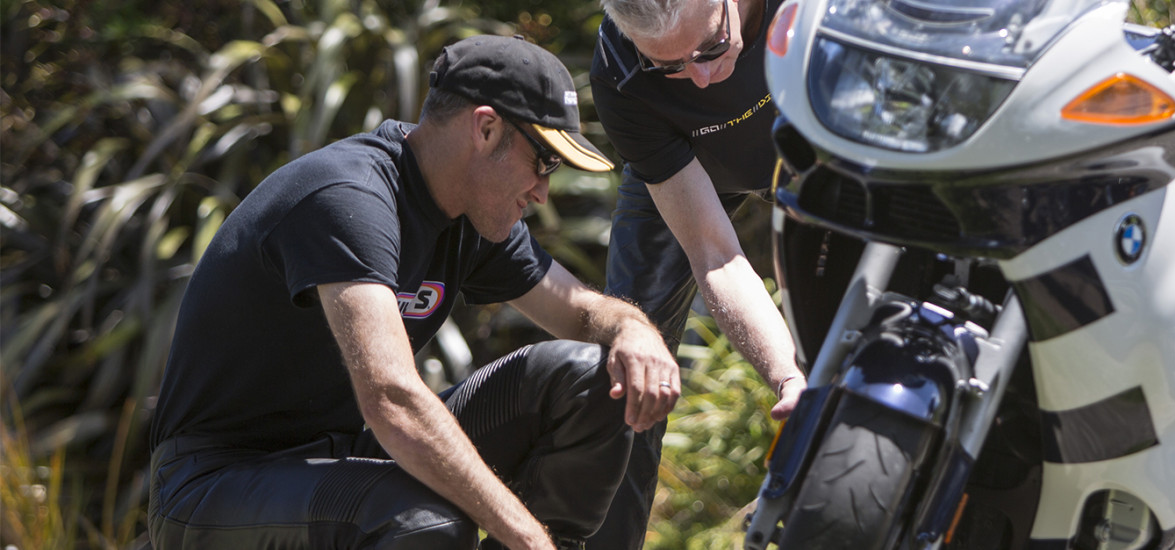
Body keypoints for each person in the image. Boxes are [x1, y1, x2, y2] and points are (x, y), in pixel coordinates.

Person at [147, 35, 680, 550]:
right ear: (487, 130)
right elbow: (392, 398)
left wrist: (635, 331)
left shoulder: (472, 216)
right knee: (421, 524)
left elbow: (583, 313)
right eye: (543, 160)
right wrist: (526, 538)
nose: (543, 191)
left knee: (591, 379)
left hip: (347, 454)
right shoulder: (349, 198)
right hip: (215, 481)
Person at [585, 0, 806, 546]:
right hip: (690, 167)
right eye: (670, 66)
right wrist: (789, 379)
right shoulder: (620, 72)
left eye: (710, 48)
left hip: (816, 143)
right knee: (628, 371)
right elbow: (715, 254)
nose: (702, 80)